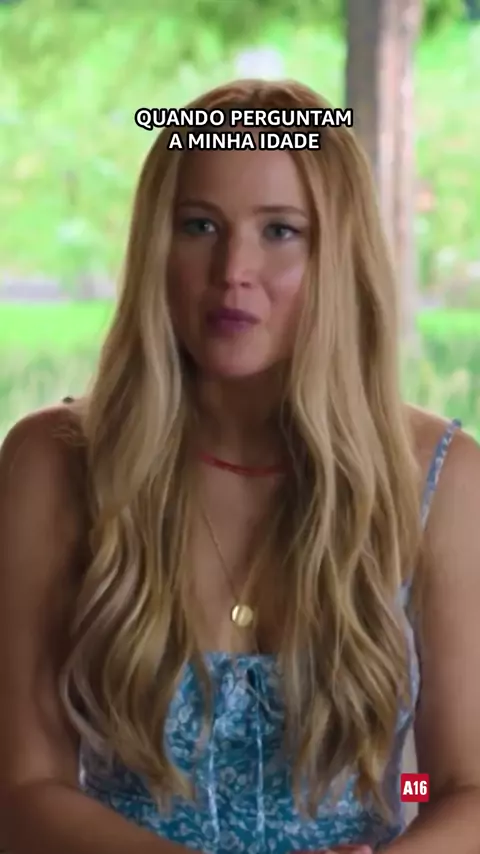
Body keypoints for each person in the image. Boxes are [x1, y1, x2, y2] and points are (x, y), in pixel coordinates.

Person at [0, 78, 479, 854]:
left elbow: (460, 788)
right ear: (155, 245)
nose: (233, 270)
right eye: (199, 226)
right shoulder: (53, 465)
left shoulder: (442, 481)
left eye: (280, 230)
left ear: (339, 255)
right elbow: (25, 791)